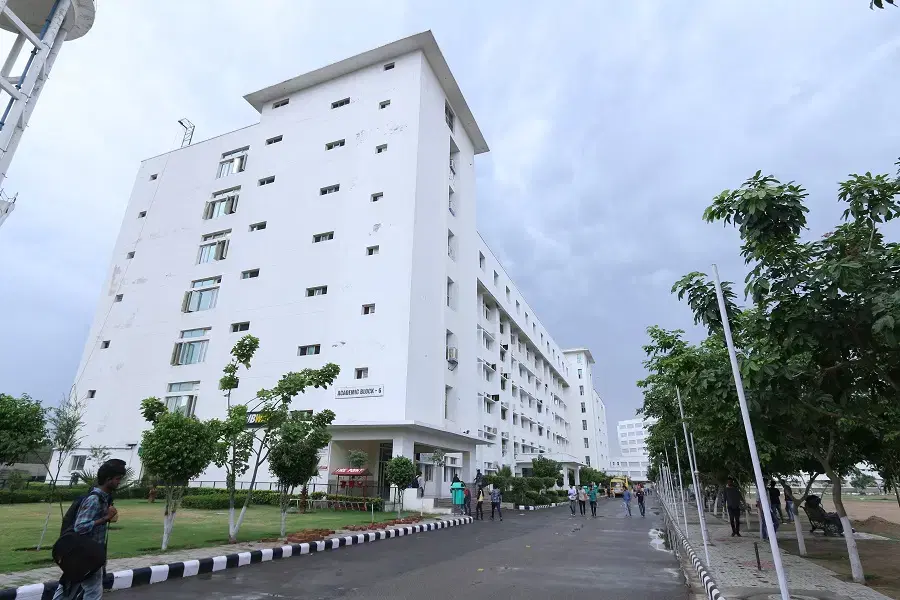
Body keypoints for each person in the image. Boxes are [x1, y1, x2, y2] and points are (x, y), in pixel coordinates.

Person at [53, 459, 126, 600]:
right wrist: (105, 518)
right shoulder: (94, 499)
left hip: (88, 553)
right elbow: (80, 527)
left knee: (68, 584)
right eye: (117, 479)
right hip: (86, 554)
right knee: (93, 590)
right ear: (108, 479)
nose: (119, 482)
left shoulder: (104, 499)